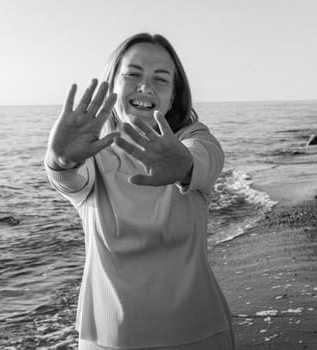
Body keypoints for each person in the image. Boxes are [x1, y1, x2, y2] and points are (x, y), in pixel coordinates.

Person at [45, 33, 234, 349]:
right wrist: (58, 160)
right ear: (113, 85)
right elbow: (68, 178)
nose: (145, 87)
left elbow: (206, 159)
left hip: (199, 333)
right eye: (133, 74)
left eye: (160, 80)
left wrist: (184, 166)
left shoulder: (193, 137)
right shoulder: (92, 154)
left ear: (173, 97)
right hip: (108, 338)